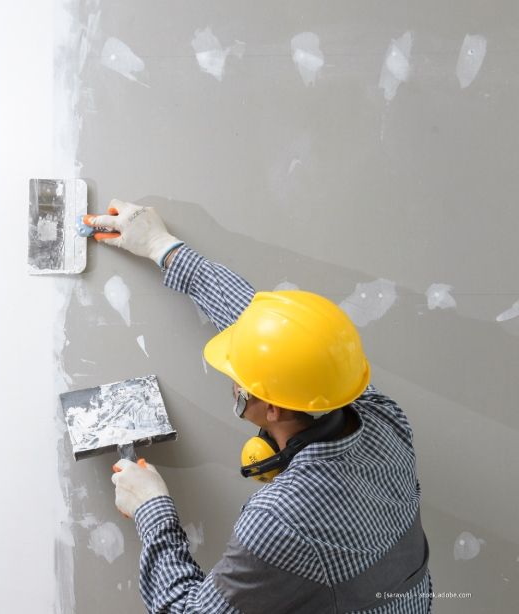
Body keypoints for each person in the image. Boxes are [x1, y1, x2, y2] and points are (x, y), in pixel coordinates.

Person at [87, 200, 431, 613]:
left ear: (271, 409)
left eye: (239, 375)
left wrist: (152, 510)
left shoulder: (281, 518)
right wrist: (163, 246)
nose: (231, 378)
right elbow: (272, 332)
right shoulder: (379, 415)